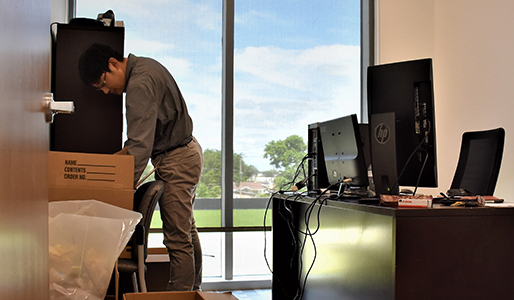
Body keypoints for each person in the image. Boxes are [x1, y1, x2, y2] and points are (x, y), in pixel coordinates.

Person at [78, 43, 203, 291]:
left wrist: (119, 190)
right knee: (186, 231)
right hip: (183, 153)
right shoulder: (146, 66)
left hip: (176, 159)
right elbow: (138, 142)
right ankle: (194, 291)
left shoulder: (139, 85)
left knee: (178, 239)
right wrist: (110, 166)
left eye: (103, 82)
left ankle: (181, 298)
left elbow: (139, 149)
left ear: (113, 64)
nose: (105, 91)